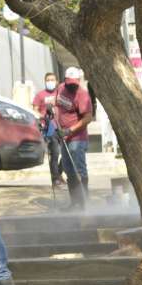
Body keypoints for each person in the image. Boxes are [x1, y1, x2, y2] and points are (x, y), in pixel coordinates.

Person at [55, 67, 93, 211]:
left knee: (79, 170)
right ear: (65, 80)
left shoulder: (83, 95)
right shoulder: (60, 89)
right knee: (68, 170)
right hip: (63, 137)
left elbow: (88, 117)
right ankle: (75, 202)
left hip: (77, 137)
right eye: (69, 82)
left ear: (78, 81)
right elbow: (57, 106)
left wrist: (70, 130)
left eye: (74, 83)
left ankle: (84, 203)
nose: (71, 86)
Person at [33, 72, 64, 188]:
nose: (50, 82)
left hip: (62, 127)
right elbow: (34, 110)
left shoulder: (60, 93)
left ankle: (59, 174)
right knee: (55, 154)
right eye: (48, 80)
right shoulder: (40, 95)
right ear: (45, 81)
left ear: (56, 81)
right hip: (49, 129)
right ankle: (55, 179)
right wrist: (43, 116)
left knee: (66, 153)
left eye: (52, 80)